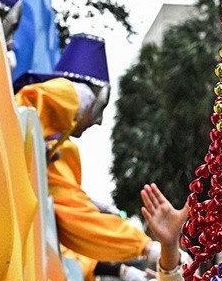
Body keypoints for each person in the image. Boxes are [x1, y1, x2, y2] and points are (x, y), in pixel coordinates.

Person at [16, 35, 158, 267]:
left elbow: (74, 214)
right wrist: (72, 96)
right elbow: (19, 113)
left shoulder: (56, 151)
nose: (100, 121)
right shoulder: (32, 120)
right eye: (99, 106)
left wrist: (143, 246)